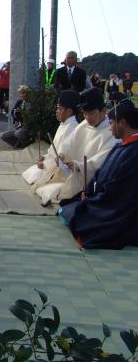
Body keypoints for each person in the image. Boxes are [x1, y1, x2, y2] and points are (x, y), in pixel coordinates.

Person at [58, 98, 138, 249]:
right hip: (103, 196)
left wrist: (92, 198)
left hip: (117, 209)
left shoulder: (134, 152)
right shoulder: (122, 146)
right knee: (68, 206)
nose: (109, 128)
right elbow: (101, 173)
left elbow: (119, 192)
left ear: (123, 123)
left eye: (112, 123)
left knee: (81, 219)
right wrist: (88, 192)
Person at [33, 87, 117, 205]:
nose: (88, 118)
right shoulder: (84, 125)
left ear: (103, 110)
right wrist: (62, 155)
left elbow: (100, 163)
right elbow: (69, 144)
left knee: (57, 195)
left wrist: (78, 166)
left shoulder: (110, 133)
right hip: (72, 175)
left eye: (92, 113)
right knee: (46, 190)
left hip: (88, 182)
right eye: (85, 113)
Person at [22, 90, 79, 185]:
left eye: (59, 109)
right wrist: (44, 157)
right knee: (29, 174)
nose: (57, 112)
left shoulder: (72, 127)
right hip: (52, 162)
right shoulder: (64, 124)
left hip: (60, 170)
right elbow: (53, 150)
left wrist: (45, 163)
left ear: (69, 111)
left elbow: (62, 158)